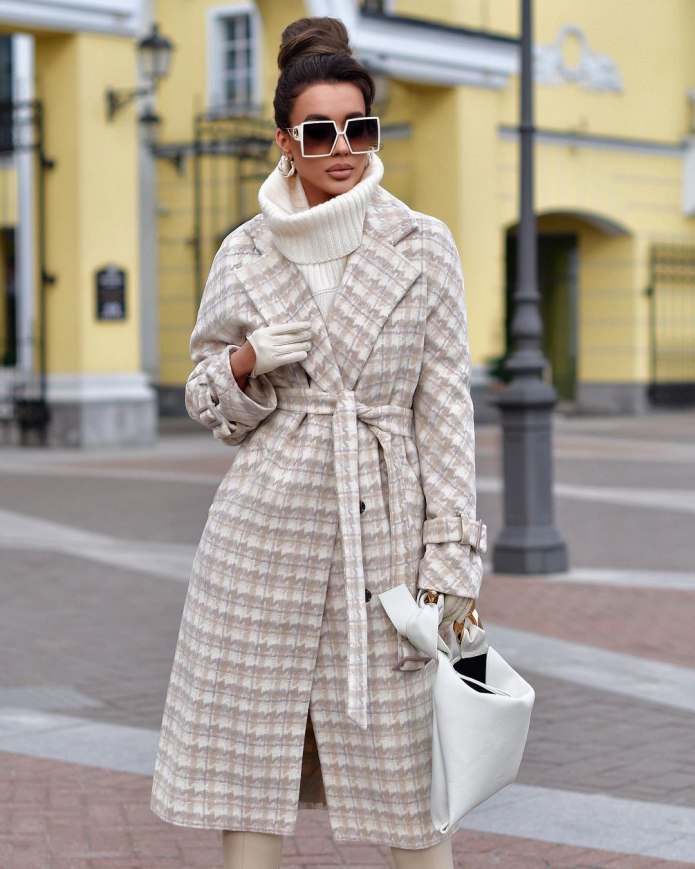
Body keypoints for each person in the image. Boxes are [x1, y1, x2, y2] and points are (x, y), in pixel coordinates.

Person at [150, 16, 486, 869]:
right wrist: (247, 362)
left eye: (357, 128)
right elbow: (207, 401)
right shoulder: (244, 252)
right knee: (247, 763)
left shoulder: (421, 244)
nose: (341, 148)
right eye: (318, 132)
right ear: (285, 143)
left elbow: (444, 406)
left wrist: (451, 556)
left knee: (413, 781)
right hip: (263, 536)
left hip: (385, 535)